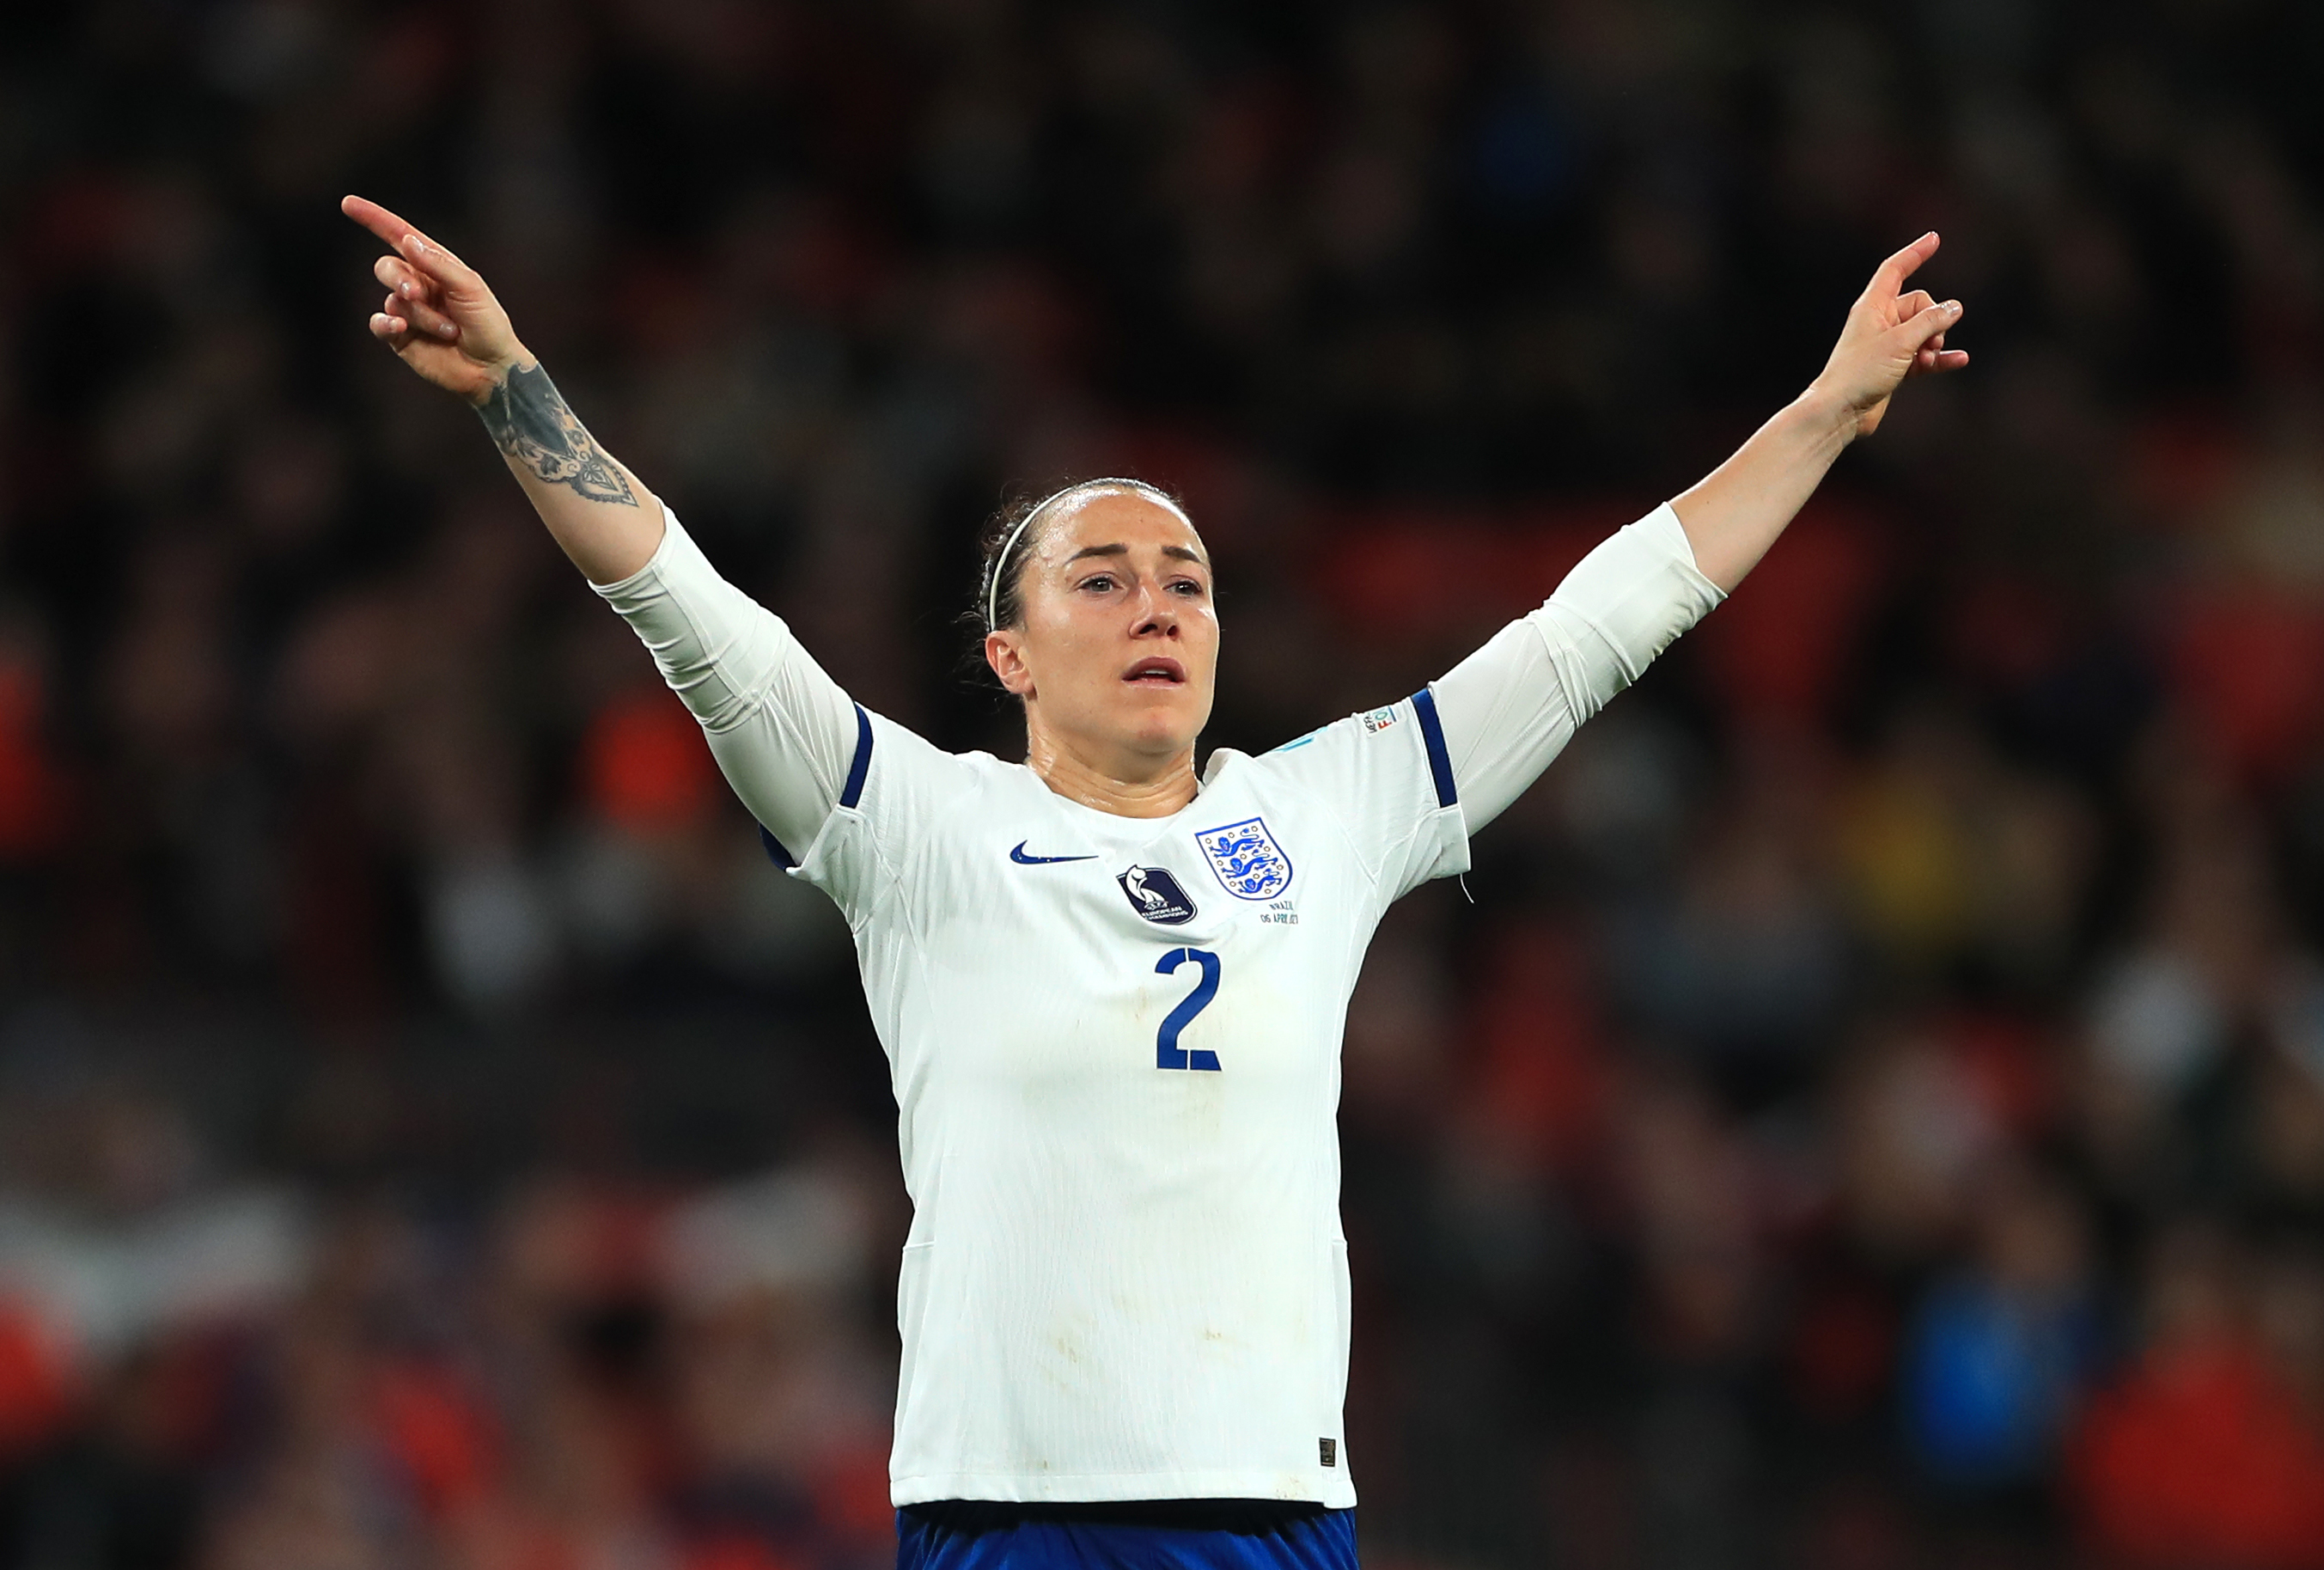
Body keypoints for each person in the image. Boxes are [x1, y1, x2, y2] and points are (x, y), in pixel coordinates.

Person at [341, 192, 1966, 1569]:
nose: (1157, 606)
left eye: (1185, 579)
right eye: (1102, 579)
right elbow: (690, 613)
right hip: (1005, 1508)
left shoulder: (1326, 812)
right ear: (1008, 653)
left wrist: (1825, 412)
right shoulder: (920, 826)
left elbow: (1594, 628)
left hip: (1265, 1509)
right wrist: (513, 393)